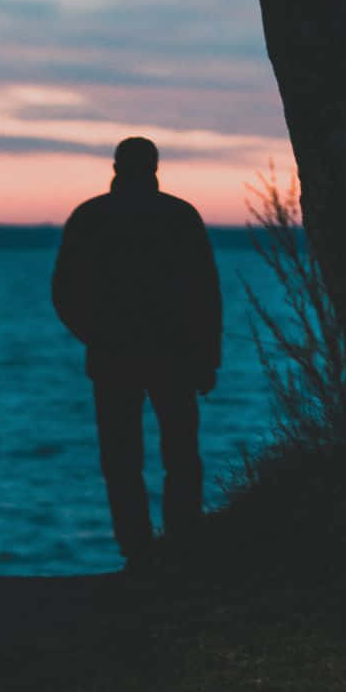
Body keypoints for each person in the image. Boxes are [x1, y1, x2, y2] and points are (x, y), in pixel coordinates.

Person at [51, 135, 222, 567]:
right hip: (174, 357)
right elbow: (207, 295)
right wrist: (207, 357)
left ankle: (137, 550)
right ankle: (181, 544)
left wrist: (96, 335)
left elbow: (64, 292)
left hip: (115, 359)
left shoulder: (91, 217)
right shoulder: (180, 216)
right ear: (155, 168)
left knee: (121, 460)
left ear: (115, 167)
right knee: (180, 456)